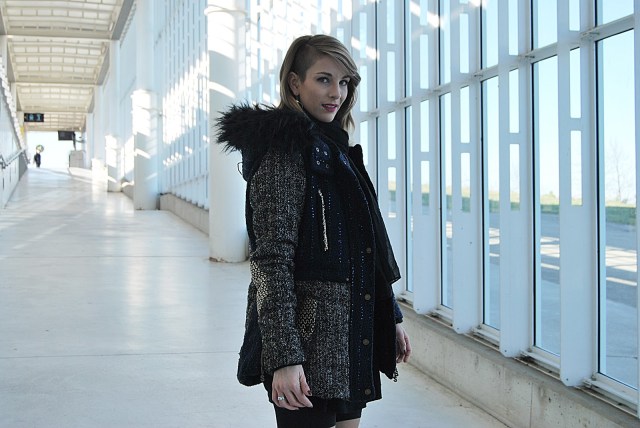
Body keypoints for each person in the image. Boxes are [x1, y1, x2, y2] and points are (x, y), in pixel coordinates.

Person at [216, 34, 411, 428]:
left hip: (349, 335)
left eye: (344, 82)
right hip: (308, 343)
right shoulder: (284, 153)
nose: (336, 93)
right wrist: (284, 357)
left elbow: (365, 244)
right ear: (294, 83)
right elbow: (271, 262)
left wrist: (389, 314)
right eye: (324, 79)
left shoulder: (337, 151)